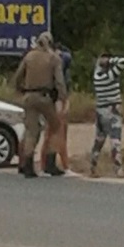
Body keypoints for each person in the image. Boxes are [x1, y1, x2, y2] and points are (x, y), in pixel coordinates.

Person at [14, 31, 67, 178]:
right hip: (44, 97)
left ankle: (27, 164)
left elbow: (18, 76)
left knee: (31, 130)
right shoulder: (53, 58)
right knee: (56, 126)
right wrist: (63, 97)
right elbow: (59, 81)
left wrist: (20, 89)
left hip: (28, 96)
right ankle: (50, 163)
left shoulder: (29, 56)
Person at [90, 52, 124, 178]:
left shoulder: (96, 76)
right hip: (113, 110)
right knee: (115, 140)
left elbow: (98, 67)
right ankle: (118, 169)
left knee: (99, 140)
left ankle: (93, 167)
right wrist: (110, 60)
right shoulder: (111, 76)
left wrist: (100, 61)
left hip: (100, 111)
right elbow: (122, 61)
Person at [40, 41, 73, 174]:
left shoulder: (43, 62)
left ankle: (44, 165)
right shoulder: (56, 62)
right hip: (57, 100)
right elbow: (67, 58)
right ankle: (64, 166)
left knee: (49, 135)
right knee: (59, 133)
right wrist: (63, 100)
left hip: (49, 99)